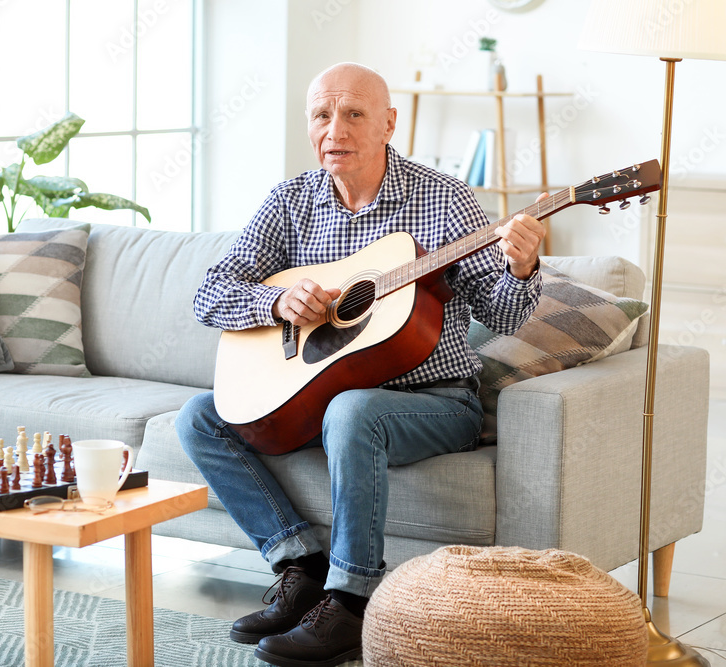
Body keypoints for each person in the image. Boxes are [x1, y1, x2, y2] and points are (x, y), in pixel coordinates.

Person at [175, 62, 546, 667]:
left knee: (353, 411)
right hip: (321, 397)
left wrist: (522, 267)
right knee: (198, 417)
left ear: (389, 124)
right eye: (322, 115)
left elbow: (503, 315)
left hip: (436, 400)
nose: (334, 130)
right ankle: (299, 564)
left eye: (353, 114)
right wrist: (274, 300)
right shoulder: (292, 201)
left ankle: (350, 604)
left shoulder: (443, 200)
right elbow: (211, 291)